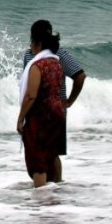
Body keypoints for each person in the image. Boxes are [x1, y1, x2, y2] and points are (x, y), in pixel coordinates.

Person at [21, 20, 87, 182]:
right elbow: (80, 76)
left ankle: (49, 188)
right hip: (54, 109)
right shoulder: (37, 54)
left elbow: (80, 76)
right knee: (52, 153)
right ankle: (55, 188)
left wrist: (70, 100)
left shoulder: (58, 54)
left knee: (44, 153)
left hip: (43, 111)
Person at [16, 20, 67, 187]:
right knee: (51, 155)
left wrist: (20, 118)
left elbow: (31, 95)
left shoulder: (37, 66)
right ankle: (56, 191)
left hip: (40, 116)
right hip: (57, 114)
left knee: (37, 161)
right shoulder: (57, 63)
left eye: (31, 42)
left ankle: (40, 202)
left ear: (37, 44)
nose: (30, 46)